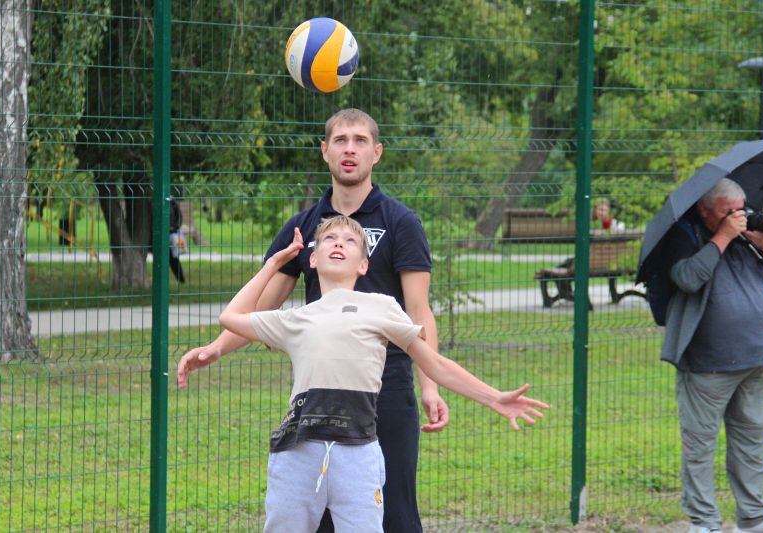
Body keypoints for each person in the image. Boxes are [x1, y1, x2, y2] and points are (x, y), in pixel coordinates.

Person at [177, 215, 548, 533]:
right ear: (313, 258)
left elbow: (434, 363)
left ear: (364, 265)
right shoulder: (296, 318)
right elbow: (231, 317)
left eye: (351, 241)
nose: (339, 243)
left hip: (358, 455)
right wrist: (274, 263)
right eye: (329, 239)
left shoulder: (382, 307)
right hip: (297, 455)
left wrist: (494, 398)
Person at [179, 108, 449, 531]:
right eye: (340, 140)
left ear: (376, 153)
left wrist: (430, 387)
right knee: (320, 520)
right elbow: (260, 309)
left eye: (360, 141)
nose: (349, 149)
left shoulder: (400, 222)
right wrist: (215, 349)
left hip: (388, 389)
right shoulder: (303, 228)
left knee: (394, 515)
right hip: (322, 397)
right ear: (325, 151)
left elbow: (419, 311)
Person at [660, 178, 763, 533]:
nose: (738, 217)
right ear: (705, 210)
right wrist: (722, 237)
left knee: (752, 440)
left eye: (741, 210)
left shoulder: (748, 235)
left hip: (756, 357)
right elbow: (687, 278)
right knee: (700, 444)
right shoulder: (683, 235)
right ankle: (704, 522)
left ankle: (753, 518)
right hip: (708, 364)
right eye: (728, 212)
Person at [168, 198, 186, 283]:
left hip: (172, 235)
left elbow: (179, 217)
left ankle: (181, 279)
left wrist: (174, 228)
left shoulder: (172, 202)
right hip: (156, 235)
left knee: (174, 258)